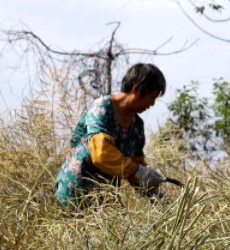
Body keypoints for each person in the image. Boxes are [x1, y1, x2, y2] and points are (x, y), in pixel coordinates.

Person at [55, 63, 169, 207]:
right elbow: (101, 154)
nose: (152, 104)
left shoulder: (137, 127)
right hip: (76, 193)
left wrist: (155, 193)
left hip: (105, 197)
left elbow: (136, 169)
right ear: (136, 90)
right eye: (151, 97)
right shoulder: (101, 109)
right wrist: (138, 171)